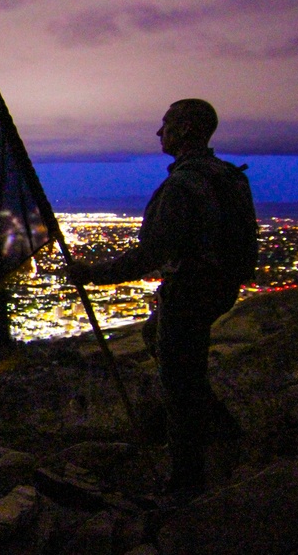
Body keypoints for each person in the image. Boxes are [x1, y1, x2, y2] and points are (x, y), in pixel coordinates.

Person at [67, 98, 256, 500]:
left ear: (184, 130)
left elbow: (152, 252)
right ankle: (221, 432)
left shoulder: (184, 184)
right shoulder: (227, 177)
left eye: (166, 124)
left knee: (180, 386)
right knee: (160, 341)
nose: (159, 132)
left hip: (190, 293)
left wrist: (94, 275)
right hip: (220, 288)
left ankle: (186, 483)